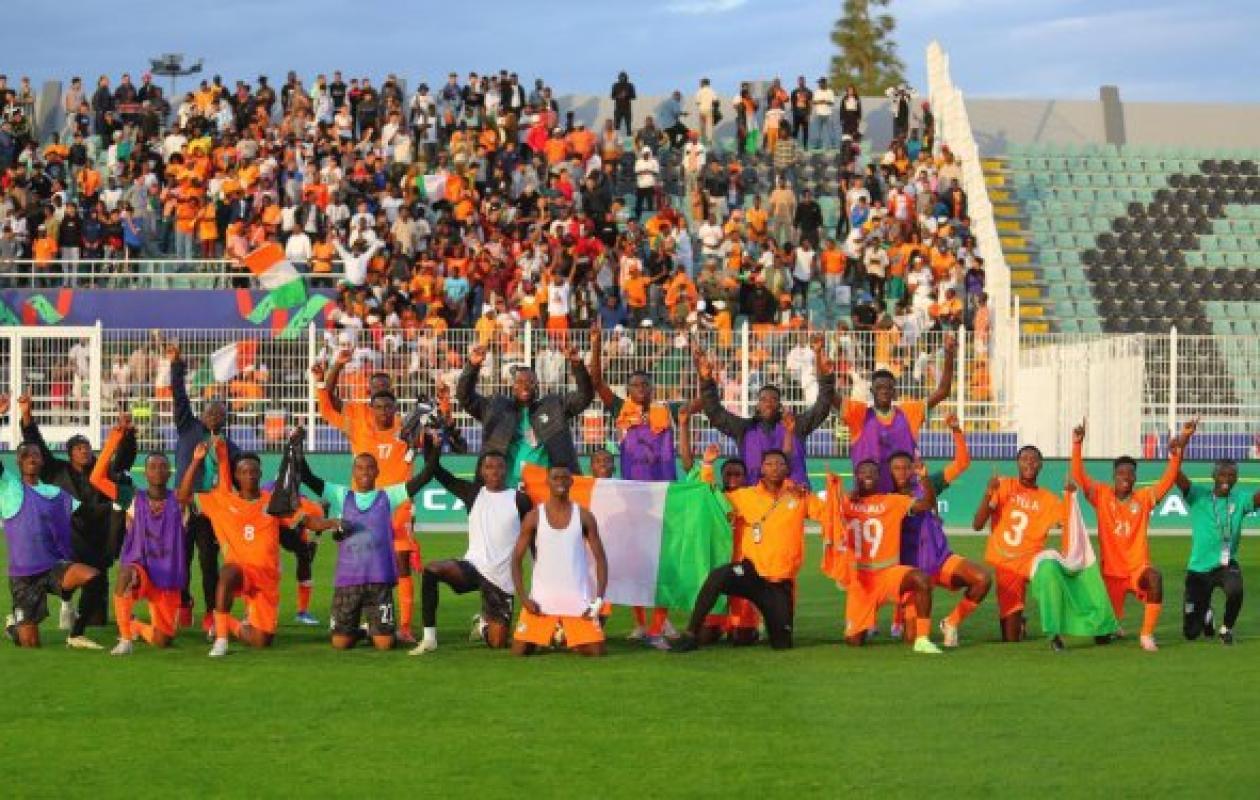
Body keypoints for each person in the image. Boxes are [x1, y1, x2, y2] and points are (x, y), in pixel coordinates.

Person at [313, 349, 422, 644]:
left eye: (385, 389)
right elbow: (328, 403)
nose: (380, 393)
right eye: (375, 388)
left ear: (392, 396)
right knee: (359, 563)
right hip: (360, 507)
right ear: (369, 394)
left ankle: (406, 626)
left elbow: (433, 439)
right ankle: (358, 623)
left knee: (400, 561)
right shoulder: (357, 417)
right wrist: (336, 367)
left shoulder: (406, 425)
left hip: (397, 505)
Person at [295, 431, 436, 651]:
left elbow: (425, 477)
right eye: (360, 468)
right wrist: (297, 446)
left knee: (385, 644)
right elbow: (307, 476)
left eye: (370, 468)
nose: (365, 472)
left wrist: (433, 449)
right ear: (353, 471)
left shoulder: (390, 496)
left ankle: (375, 629)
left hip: (379, 580)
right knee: (340, 644)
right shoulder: (341, 495)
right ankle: (363, 629)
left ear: (378, 472)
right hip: (348, 579)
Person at [674, 449, 822, 652]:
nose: (775, 468)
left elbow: (827, 512)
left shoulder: (800, 496)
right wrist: (707, 466)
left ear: (787, 468)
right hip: (751, 572)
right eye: (769, 464)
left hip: (779, 582)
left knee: (782, 645)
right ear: (762, 468)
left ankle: (757, 629)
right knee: (718, 576)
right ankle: (690, 634)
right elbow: (712, 498)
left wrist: (837, 489)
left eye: (780, 464)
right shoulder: (745, 496)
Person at [1071, 418, 1196, 651]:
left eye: (1130, 473)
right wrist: (1077, 444)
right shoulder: (1101, 495)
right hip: (1111, 574)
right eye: (1121, 473)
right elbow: (1079, 476)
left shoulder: (1144, 498)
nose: (1126, 477)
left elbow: (1168, 480)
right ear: (1114, 476)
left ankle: (1146, 635)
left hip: (1138, 569)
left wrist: (1178, 454)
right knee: (1101, 639)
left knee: (1155, 578)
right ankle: (1112, 625)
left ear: (1135, 478)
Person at [17, 394, 128, 636]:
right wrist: (26, 415)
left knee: (97, 621)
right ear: (70, 454)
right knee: (67, 575)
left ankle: (81, 610)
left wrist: (126, 434)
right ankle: (65, 602)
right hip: (70, 541)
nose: (84, 451)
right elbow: (37, 445)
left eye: (86, 446)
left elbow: (124, 458)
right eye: (78, 448)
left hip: (100, 543)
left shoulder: (104, 471)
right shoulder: (57, 471)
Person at [0, 399, 105, 649]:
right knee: (30, 643)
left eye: (36, 454)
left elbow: (88, 513)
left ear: (43, 461)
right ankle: (13, 626)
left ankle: (75, 634)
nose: (31, 458)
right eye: (25, 454)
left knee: (94, 577)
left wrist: (129, 513)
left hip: (52, 567)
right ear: (18, 461)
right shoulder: (8, 487)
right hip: (23, 576)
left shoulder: (55, 492)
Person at [178, 439, 296, 657]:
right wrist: (196, 461)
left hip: (266, 579)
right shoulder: (222, 501)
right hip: (240, 572)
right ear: (237, 476)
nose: (249, 475)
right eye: (244, 471)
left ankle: (227, 623)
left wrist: (330, 523)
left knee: (262, 641)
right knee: (227, 572)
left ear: (260, 474)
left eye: (254, 471)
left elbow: (302, 519)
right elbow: (183, 497)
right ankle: (221, 640)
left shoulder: (274, 502)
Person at [413, 446, 533, 654]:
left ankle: (484, 624)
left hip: (501, 578)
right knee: (432, 570)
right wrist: (432, 446)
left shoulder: (520, 499)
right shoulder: (473, 493)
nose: (494, 471)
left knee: (497, 643)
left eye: (499, 467)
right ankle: (429, 638)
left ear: (507, 470)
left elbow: (532, 534)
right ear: (482, 472)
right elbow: (439, 473)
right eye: (489, 467)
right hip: (473, 567)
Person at [89, 415, 187, 655]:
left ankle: (133, 625)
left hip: (168, 576)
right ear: (146, 473)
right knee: (124, 573)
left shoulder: (182, 501)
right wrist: (115, 438)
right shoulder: (132, 497)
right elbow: (96, 478)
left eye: (163, 466)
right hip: (140, 570)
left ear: (170, 472)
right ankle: (125, 639)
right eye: (153, 466)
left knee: (163, 640)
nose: (158, 470)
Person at [896, 413, 990, 648]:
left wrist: (956, 431)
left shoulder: (928, 484)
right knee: (910, 639)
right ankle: (896, 616)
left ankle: (951, 622)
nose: (903, 472)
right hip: (912, 572)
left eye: (907, 467)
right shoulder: (886, 497)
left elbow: (962, 463)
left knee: (982, 579)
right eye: (897, 468)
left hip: (940, 561)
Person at [695, 336, 835, 488]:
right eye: (764, 399)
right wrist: (706, 381)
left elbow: (822, 407)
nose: (769, 402)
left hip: (794, 499)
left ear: (780, 405)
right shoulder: (744, 428)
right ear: (757, 405)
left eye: (774, 399)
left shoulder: (796, 425)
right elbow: (715, 414)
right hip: (756, 502)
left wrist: (826, 377)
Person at [169, 344, 241, 632]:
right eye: (209, 412)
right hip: (184, 505)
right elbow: (179, 396)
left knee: (208, 562)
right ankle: (183, 603)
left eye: (218, 414)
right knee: (180, 559)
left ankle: (211, 611)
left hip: (211, 510)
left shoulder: (229, 446)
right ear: (201, 415)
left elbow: (240, 476)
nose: (213, 416)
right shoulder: (188, 427)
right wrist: (176, 365)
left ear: (224, 419)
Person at [456, 339, 594, 487]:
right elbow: (465, 397)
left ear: (537, 386)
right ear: (512, 387)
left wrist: (577, 365)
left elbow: (584, 396)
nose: (525, 386)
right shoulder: (496, 407)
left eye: (530, 382)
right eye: (519, 382)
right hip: (504, 490)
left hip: (546, 490)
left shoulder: (554, 406)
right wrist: (473, 366)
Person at [843, 455, 942, 654]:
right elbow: (820, 510)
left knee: (921, 579)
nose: (868, 475)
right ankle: (865, 623)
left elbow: (927, 504)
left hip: (888, 574)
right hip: (861, 581)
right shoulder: (844, 501)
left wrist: (923, 477)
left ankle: (922, 639)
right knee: (854, 641)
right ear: (856, 476)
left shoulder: (892, 501)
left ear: (880, 477)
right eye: (863, 471)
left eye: (873, 471)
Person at [836, 334, 957, 491]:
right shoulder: (860, 415)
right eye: (879, 387)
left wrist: (949, 353)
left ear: (894, 392)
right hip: (870, 500)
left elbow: (943, 391)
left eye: (888, 388)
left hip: (904, 498)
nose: (884, 391)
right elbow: (831, 397)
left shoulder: (909, 412)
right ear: (872, 391)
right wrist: (823, 370)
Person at [510, 464, 608, 657]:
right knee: (519, 652)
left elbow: (601, 560)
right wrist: (524, 598)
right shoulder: (533, 517)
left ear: (572, 482)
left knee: (596, 652)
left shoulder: (585, 516)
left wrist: (597, 601)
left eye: (565, 478)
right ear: (548, 482)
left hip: (577, 601)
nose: (560, 482)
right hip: (541, 602)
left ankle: (559, 634)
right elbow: (515, 560)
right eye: (555, 478)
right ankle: (557, 633)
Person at [972, 445, 1066, 642]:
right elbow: (978, 525)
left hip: (1032, 562)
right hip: (1007, 564)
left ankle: (1056, 624)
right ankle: (1019, 622)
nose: (1029, 462)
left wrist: (1071, 497)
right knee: (1010, 639)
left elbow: (1070, 527)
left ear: (1041, 465)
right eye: (1024, 458)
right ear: (1018, 463)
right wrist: (989, 492)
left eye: (1034, 459)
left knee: (1051, 574)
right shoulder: (1003, 486)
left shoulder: (1049, 499)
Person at [1176, 456, 1260, 645]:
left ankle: (1226, 629)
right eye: (1222, 474)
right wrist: (1177, 453)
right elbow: (1176, 476)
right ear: (1213, 475)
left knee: (1236, 589)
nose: (1227, 479)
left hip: (1225, 565)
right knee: (1191, 633)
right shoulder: (1198, 495)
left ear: (1236, 478)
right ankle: (1206, 614)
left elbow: (1257, 498)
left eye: (1232, 475)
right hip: (1198, 570)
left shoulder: (1240, 500)